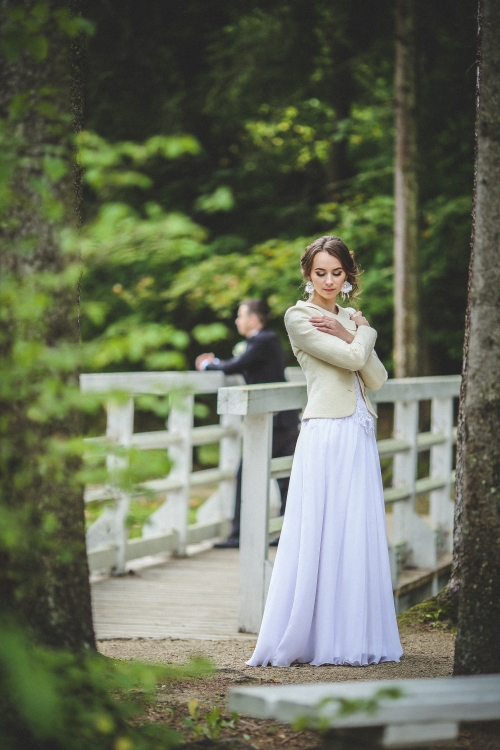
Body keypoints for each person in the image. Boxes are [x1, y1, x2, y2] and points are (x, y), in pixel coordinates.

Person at [247, 236, 403, 667]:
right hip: (326, 431)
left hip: (358, 429)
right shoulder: (299, 317)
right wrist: (362, 331)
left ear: (348, 275)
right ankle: (311, 635)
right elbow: (355, 359)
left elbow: (378, 378)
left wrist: (351, 329)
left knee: (355, 529)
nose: (329, 281)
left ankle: (352, 632)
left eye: (337, 273)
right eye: (321, 273)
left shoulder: (347, 317)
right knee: (321, 528)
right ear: (307, 274)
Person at [196, 299, 299, 548]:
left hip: (275, 420)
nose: (237, 321)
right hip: (280, 417)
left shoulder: (264, 341)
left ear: (254, 319)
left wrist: (208, 364)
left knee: (254, 474)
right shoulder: (263, 341)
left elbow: (236, 365)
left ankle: (239, 535)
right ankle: (287, 533)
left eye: (241, 316)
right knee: (285, 477)